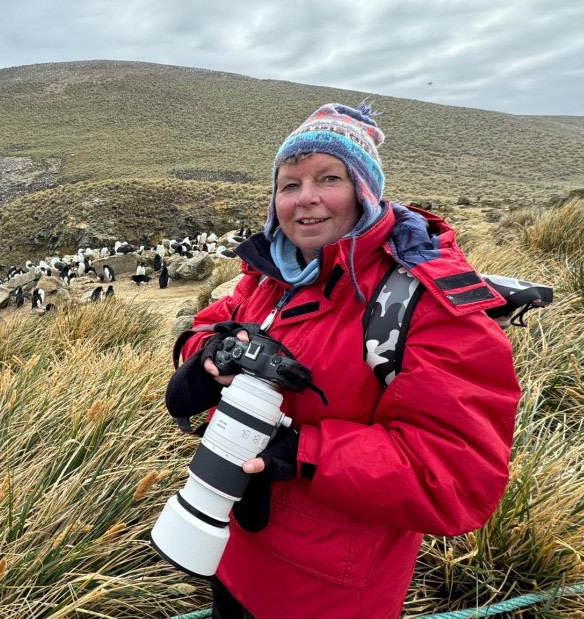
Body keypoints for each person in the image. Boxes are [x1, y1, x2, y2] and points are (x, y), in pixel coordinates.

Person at [165, 103, 520, 618]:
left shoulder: (426, 304)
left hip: (328, 593)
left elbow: (458, 476)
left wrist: (305, 450)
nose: (305, 198)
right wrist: (208, 357)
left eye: (327, 178)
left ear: (363, 191)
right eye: (289, 185)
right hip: (232, 550)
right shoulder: (269, 276)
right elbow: (207, 324)